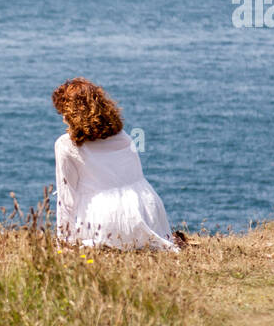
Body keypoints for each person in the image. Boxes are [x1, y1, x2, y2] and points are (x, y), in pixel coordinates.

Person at [51, 78, 179, 251]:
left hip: (105, 220)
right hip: (147, 213)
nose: (63, 118)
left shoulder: (66, 145)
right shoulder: (124, 136)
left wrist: (64, 243)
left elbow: (66, 198)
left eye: (64, 113)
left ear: (72, 114)